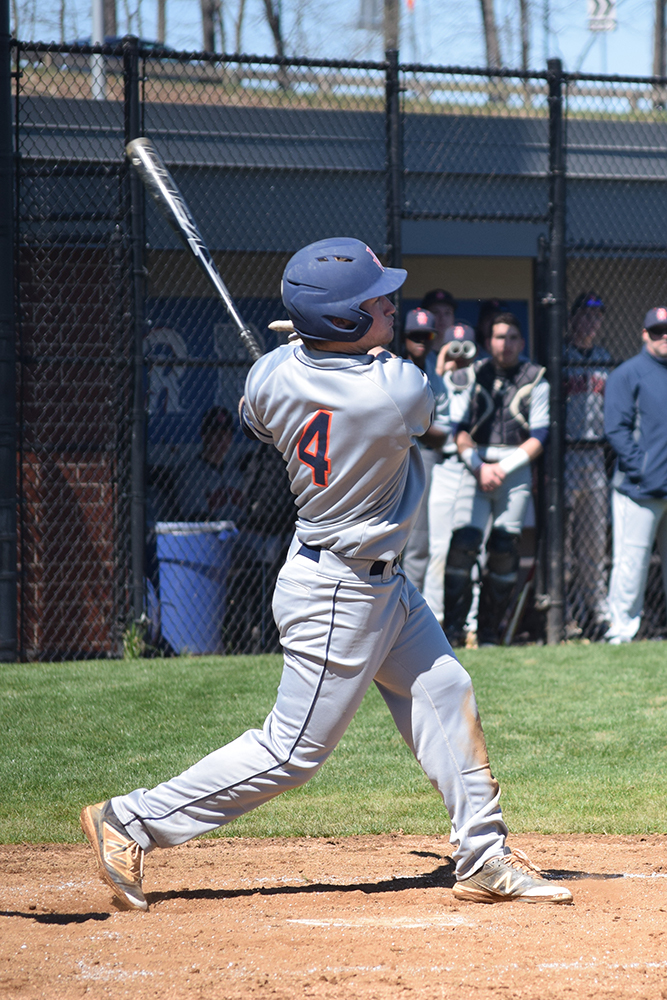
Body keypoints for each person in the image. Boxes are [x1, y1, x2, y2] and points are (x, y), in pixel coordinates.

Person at [80, 238, 572, 911]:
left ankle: (482, 855)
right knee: (291, 754)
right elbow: (404, 401)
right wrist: (309, 351)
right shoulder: (396, 390)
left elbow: (266, 410)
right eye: (374, 300)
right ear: (341, 322)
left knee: (444, 688)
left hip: (377, 583)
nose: (390, 303)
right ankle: (129, 820)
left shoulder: (270, 378)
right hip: (340, 592)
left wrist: (298, 353)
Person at [443, 313, 549, 647]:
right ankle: (454, 630)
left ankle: (490, 632)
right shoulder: (471, 374)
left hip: (513, 468)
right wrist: (479, 466)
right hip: (476, 465)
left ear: (522, 341)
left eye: (513, 337)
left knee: (504, 549)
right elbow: (458, 430)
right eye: (500, 337)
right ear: (489, 341)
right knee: (463, 545)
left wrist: (502, 468)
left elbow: (540, 435)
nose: (507, 344)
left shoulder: (537, 378)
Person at [604, 307, 667, 644]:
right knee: (631, 562)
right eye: (657, 330)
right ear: (644, 334)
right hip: (637, 489)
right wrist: (643, 471)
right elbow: (616, 430)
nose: (664, 336)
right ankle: (622, 631)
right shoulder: (627, 373)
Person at [422, 323, 478, 624]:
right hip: (444, 465)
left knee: (471, 548)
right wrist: (441, 368)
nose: (460, 356)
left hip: (472, 467)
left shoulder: (480, 377)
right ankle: (435, 619)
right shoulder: (434, 375)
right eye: (453, 348)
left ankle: (470, 622)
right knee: (437, 548)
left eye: (465, 348)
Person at [563, 293, 612, 636]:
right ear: (573, 319)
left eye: (597, 316)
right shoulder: (559, 356)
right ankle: (565, 616)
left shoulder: (605, 359)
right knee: (564, 547)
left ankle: (598, 615)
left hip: (596, 457)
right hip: (564, 456)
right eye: (585, 315)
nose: (591, 322)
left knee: (594, 543)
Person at [400, 307, 447, 590]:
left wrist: (411, 424)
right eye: (415, 335)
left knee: (418, 538)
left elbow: (442, 434)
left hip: (423, 458)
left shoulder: (436, 378)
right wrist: (420, 426)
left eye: (427, 335)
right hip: (388, 457)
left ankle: (409, 608)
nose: (421, 340)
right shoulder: (387, 366)